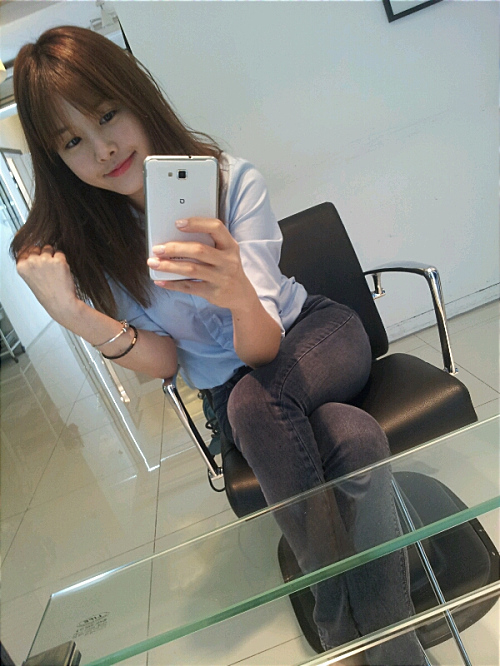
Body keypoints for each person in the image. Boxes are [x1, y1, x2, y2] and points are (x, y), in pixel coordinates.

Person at [12, 26, 427, 665]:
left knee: (255, 402)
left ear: (136, 95)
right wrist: (72, 313)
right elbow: (165, 362)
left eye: (106, 114)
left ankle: (339, 627)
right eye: (72, 141)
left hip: (312, 337)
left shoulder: (231, 183)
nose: (102, 149)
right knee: (355, 440)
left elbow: (262, 351)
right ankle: (396, 651)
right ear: (55, 159)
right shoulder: (98, 248)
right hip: (234, 397)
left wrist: (234, 290)